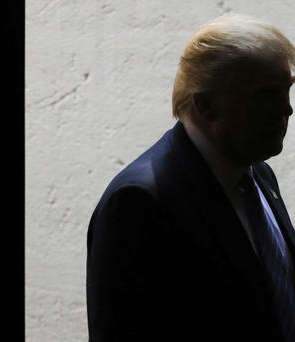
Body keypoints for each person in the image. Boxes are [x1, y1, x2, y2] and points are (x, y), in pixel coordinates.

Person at [86, 14, 295, 342]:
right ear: (207, 106)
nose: (287, 109)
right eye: (267, 95)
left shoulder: (259, 176)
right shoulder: (138, 202)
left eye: (287, 90)